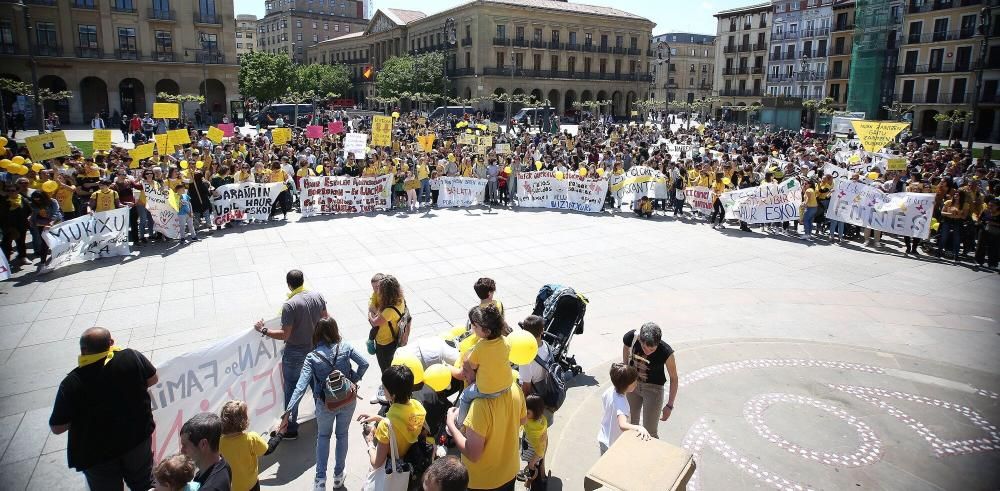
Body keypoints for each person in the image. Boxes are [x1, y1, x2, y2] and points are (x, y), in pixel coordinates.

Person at [48, 327, 158, 490]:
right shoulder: (131, 356)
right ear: (111, 343)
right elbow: (153, 379)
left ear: (83, 350)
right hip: (136, 440)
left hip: (97, 456)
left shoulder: (71, 383)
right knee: (145, 484)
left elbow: (57, 427)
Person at [285, 317, 369, 490]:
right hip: (347, 400)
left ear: (316, 334)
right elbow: (364, 363)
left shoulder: (312, 357)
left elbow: (300, 387)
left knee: (323, 437)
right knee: (342, 435)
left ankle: (320, 481)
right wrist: (353, 379)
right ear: (335, 330)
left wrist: (288, 412)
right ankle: (338, 477)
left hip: (325, 404)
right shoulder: (345, 347)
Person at [255, 269, 328, 440]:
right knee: (316, 385)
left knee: (292, 390)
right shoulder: (317, 295)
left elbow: (285, 335)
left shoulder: (290, 305)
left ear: (288, 284)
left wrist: (263, 330)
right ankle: (323, 417)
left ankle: (290, 428)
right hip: (316, 350)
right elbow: (326, 319)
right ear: (303, 281)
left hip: (295, 354)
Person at [357, 365, 427, 488]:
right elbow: (404, 424)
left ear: (393, 395)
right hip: (411, 461)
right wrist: (379, 418)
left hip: (392, 469)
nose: (382, 391)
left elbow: (376, 463)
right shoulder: (418, 407)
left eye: (384, 388)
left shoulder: (385, 426)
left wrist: (369, 443)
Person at [455, 304, 513, 427]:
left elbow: (473, 365)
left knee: (465, 396)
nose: (473, 328)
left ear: (487, 331)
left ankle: (458, 424)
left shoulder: (480, 347)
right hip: (507, 384)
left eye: (475, 326)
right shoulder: (505, 341)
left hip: (488, 389)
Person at [621, 322, 677, 439]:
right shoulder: (631, 337)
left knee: (650, 432)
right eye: (644, 347)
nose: (647, 352)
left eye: (652, 349)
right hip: (633, 385)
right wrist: (626, 366)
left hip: (653, 390)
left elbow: (674, 378)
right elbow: (626, 347)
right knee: (631, 425)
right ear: (640, 339)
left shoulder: (666, 352)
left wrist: (669, 405)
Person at [597, 363, 649, 454]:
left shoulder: (610, 390)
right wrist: (639, 428)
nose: (636, 384)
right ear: (627, 385)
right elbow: (622, 425)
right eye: (634, 382)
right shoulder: (621, 403)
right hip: (613, 444)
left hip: (603, 437)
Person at [219, 400, 268, 491]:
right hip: (251, 485)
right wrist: (279, 434)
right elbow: (267, 450)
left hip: (232, 487)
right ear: (244, 419)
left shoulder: (219, 442)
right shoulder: (251, 438)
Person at [179, 413, 232, 491]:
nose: (182, 450)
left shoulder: (210, 487)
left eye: (185, 445)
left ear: (203, 444)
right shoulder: (223, 463)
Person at [367, 274, 407, 372]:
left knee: (386, 368)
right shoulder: (400, 300)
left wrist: (370, 314)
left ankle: (388, 384)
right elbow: (372, 300)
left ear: (386, 292)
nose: (377, 291)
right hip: (393, 338)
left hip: (385, 343)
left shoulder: (389, 311)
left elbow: (374, 322)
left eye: (380, 288)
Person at [516, 315, 551, 398]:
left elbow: (526, 388)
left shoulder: (526, 357)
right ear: (542, 331)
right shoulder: (547, 346)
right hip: (546, 386)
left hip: (535, 393)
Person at [517, 395, 548, 486]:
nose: (524, 414)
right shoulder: (541, 419)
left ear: (536, 412)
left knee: (535, 479)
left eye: (527, 412)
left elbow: (539, 450)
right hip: (535, 455)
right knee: (535, 476)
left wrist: (532, 463)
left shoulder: (534, 429)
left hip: (534, 457)